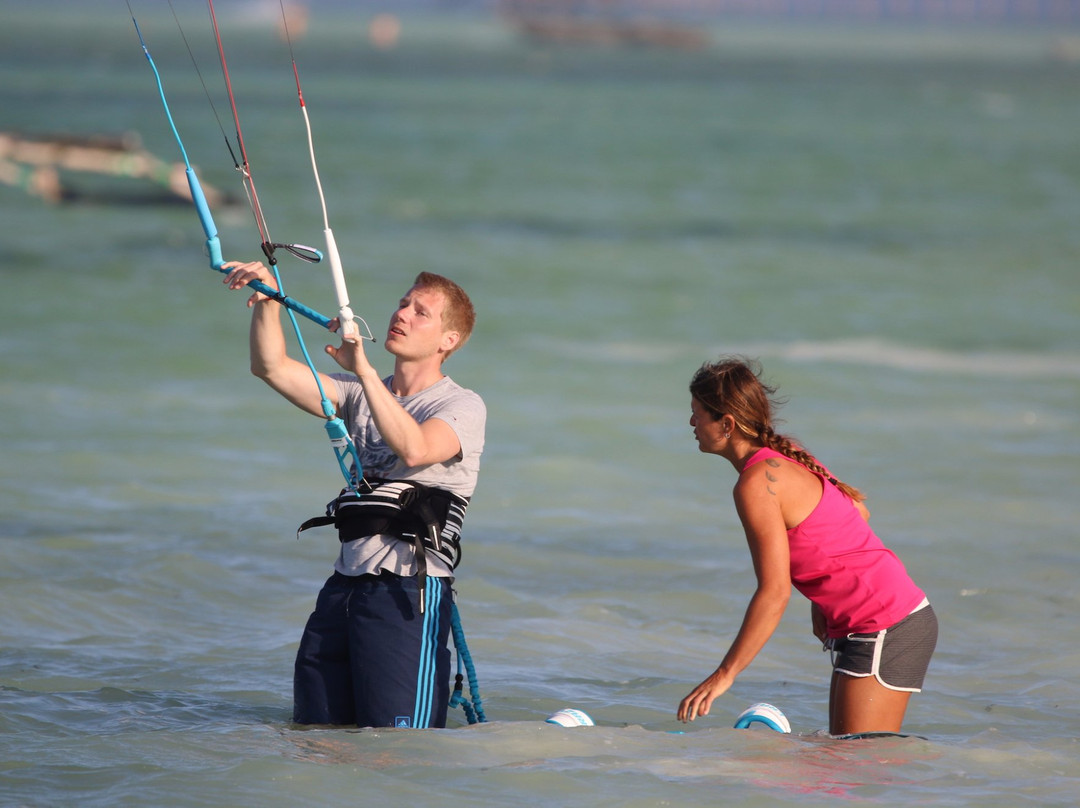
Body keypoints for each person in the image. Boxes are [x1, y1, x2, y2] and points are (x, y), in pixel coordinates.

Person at [222, 259, 485, 729]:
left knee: (399, 750)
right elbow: (271, 367)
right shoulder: (357, 391)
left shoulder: (461, 405)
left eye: (420, 311)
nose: (401, 314)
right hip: (344, 588)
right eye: (403, 303)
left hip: (409, 593)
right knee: (316, 741)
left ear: (450, 341)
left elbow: (416, 446)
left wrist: (363, 371)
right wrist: (267, 300)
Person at [677, 357, 936, 736]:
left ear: (727, 424)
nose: (691, 423)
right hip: (882, 621)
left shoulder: (756, 485)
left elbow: (774, 592)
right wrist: (822, 601)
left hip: (885, 623)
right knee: (848, 758)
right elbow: (856, 512)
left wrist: (724, 675)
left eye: (697, 414)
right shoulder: (785, 455)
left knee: (858, 765)